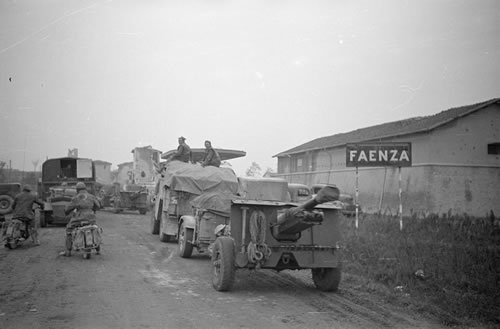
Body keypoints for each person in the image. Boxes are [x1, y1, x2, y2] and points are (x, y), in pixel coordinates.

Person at [61, 182, 101, 257]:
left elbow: (68, 208)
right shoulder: (92, 196)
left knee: (69, 230)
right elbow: (98, 206)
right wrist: (93, 210)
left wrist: (66, 211)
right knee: (94, 229)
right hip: (91, 218)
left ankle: (68, 251)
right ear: (85, 188)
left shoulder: (76, 198)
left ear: (77, 189)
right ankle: (97, 249)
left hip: (78, 219)